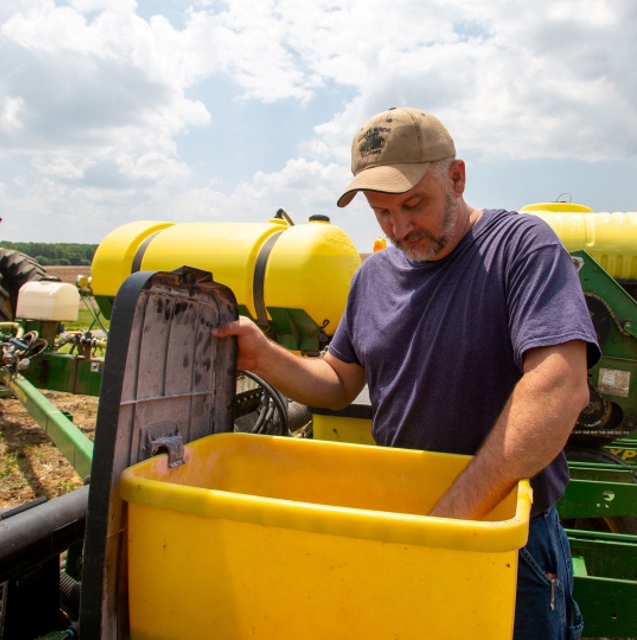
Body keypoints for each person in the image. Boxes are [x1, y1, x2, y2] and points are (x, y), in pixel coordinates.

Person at [211, 107, 600, 639]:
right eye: (381, 212)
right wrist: (263, 356)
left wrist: (446, 523)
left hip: (508, 542)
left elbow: (558, 387)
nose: (399, 228)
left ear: (456, 178)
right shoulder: (372, 276)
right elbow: (340, 381)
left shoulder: (520, 248)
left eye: (414, 205)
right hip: (406, 520)